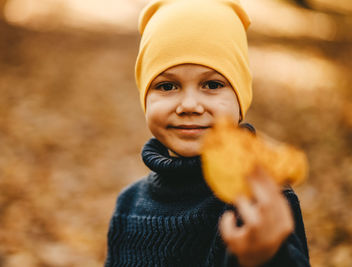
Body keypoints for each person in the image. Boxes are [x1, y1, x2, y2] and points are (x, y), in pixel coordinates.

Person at [105, 0, 310, 266]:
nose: (189, 105)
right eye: (167, 86)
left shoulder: (261, 202)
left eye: (212, 84)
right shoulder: (128, 205)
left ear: (240, 100)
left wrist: (263, 258)